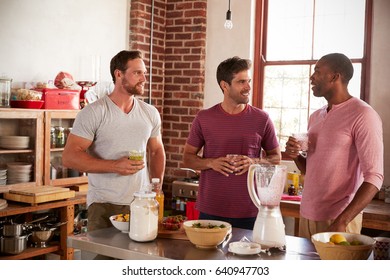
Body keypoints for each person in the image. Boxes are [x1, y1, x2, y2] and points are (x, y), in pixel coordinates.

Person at [63, 50, 166, 232]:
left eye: (144, 73)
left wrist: (156, 188)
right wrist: (114, 165)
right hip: (104, 205)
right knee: (103, 259)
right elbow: (70, 157)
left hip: (142, 202)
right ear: (118, 74)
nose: (144, 78)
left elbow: (157, 151)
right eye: (137, 73)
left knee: (138, 257)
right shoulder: (94, 112)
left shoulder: (150, 113)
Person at [285, 53, 384, 238]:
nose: (311, 77)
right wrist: (296, 155)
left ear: (334, 76)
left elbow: (375, 177)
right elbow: (311, 170)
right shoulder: (315, 116)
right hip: (307, 214)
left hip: (339, 219)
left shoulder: (363, 115)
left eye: (317, 71)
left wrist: (343, 221)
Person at [183, 56, 281, 229]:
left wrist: (254, 162)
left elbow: (276, 158)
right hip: (211, 209)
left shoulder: (262, 119)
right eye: (241, 82)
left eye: (248, 81)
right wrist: (211, 162)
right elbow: (188, 158)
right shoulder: (204, 118)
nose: (248, 87)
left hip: (251, 209)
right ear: (224, 85)